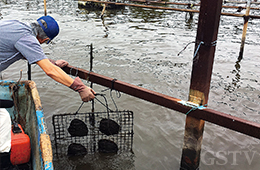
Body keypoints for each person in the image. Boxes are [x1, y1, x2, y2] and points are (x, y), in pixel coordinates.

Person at [0, 15, 96, 168]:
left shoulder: (17, 24)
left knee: (6, 110)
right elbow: (50, 72)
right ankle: (4, 163)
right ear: (45, 40)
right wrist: (80, 87)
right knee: (3, 119)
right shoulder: (27, 38)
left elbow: (26, 51)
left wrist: (52, 62)